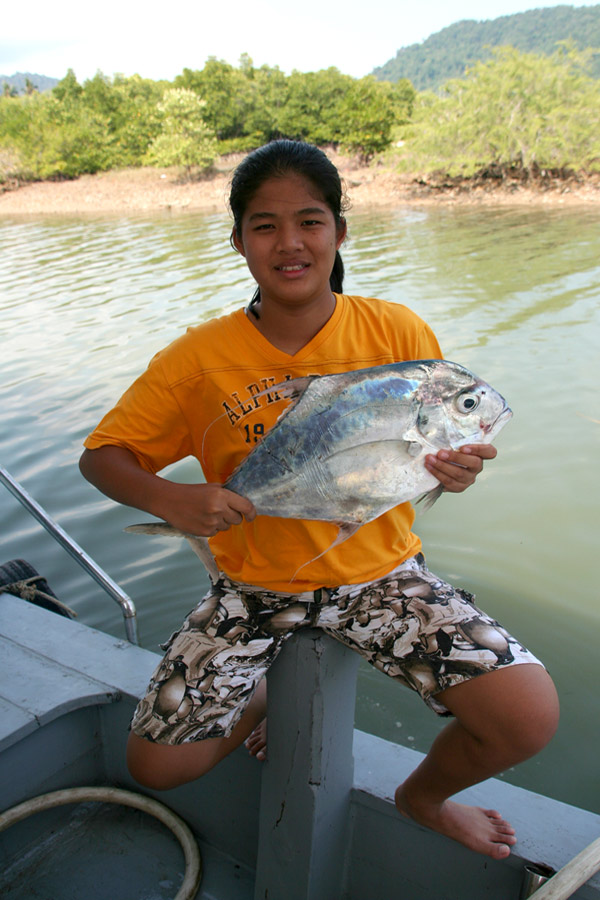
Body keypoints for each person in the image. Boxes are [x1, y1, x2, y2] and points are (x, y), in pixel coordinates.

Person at [79, 139, 559, 861]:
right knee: (159, 767)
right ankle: (262, 693)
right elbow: (102, 458)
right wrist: (173, 500)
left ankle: (421, 798)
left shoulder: (395, 332)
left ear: (339, 230)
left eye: (310, 220)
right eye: (265, 225)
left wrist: (451, 471)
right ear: (238, 240)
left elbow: (416, 458)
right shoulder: (196, 359)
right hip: (252, 587)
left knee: (527, 717)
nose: (290, 242)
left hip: (382, 574)